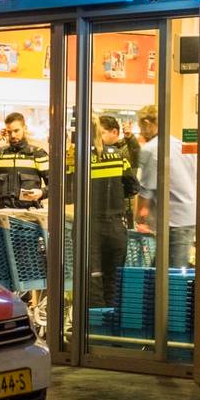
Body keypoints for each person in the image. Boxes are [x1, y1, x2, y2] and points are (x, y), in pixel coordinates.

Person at [74, 117, 139, 308]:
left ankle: (93, 328)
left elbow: (69, 193)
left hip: (89, 226)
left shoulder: (78, 157)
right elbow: (133, 187)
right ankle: (111, 327)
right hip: (116, 226)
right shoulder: (119, 156)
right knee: (114, 280)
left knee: (93, 280)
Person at [135, 105, 198, 268]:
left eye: (140, 126)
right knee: (162, 270)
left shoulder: (150, 149)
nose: (140, 131)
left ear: (147, 122)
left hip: (172, 220)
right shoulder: (182, 145)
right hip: (188, 215)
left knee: (170, 275)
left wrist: (140, 216)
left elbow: (146, 189)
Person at [0, 112, 49, 209]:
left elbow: (55, 185)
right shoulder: (0, 153)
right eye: (9, 132)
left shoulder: (38, 154)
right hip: (4, 214)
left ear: (25, 128)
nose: (13, 135)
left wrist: (41, 193)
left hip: (29, 216)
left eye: (16, 130)